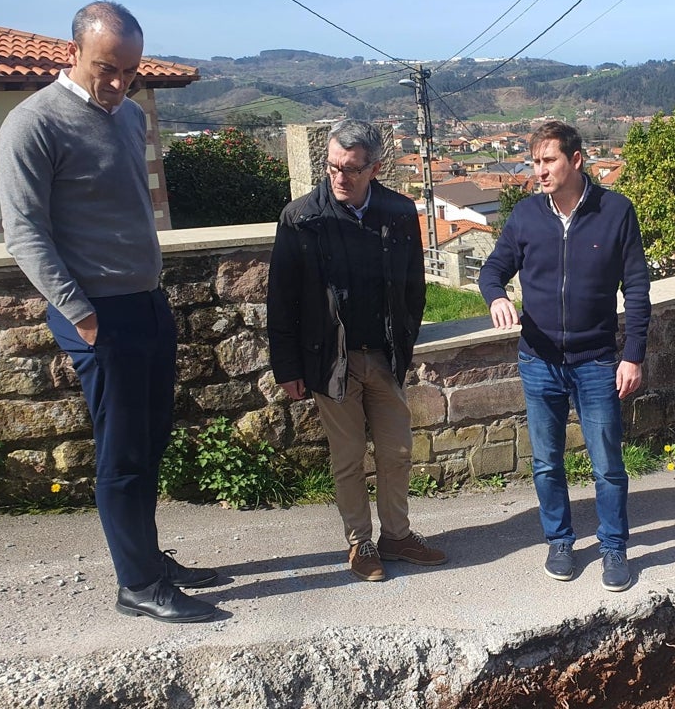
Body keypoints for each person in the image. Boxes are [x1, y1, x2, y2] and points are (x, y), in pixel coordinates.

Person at [0, 1, 218, 623]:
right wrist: (82, 315)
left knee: (150, 440)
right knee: (121, 452)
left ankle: (145, 558)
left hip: (146, 303)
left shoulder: (125, 119)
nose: (120, 84)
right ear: (73, 53)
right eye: (106, 69)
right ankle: (138, 587)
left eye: (131, 71)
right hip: (98, 315)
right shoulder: (32, 124)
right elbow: (24, 235)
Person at [267, 118, 447, 581]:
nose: (339, 178)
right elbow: (281, 300)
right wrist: (287, 366)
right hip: (330, 360)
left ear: (375, 169)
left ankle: (397, 536)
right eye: (332, 168)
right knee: (348, 458)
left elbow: (414, 287)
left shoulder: (399, 212)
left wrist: (403, 344)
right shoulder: (301, 218)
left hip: (384, 356)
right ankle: (360, 544)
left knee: (397, 450)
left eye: (349, 169)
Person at [479, 120, 651, 592]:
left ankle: (615, 549)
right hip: (538, 360)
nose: (539, 171)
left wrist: (632, 355)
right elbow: (493, 268)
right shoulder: (527, 216)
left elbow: (636, 288)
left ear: (576, 160)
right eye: (535, 162)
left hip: (596, 361)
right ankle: (560, 541)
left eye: (548, 160)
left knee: (607, 463)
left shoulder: (616, 212)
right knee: (547, 462)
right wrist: (496, 296)